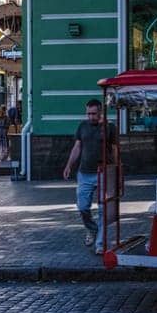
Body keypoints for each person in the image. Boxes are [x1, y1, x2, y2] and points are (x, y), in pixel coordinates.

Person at [63, 98, 117, 252]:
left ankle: (100, 244)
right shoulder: (83, 126)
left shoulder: (109, 127)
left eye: (94, 114)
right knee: (82, 207)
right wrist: (69, 165)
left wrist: (117, 168)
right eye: (88, 114)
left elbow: (114, 149)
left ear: (100, 111)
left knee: (102, 209)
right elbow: (77, 147)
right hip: (84, 173)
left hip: (103, 172)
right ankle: (92, 229)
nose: (91, 117)